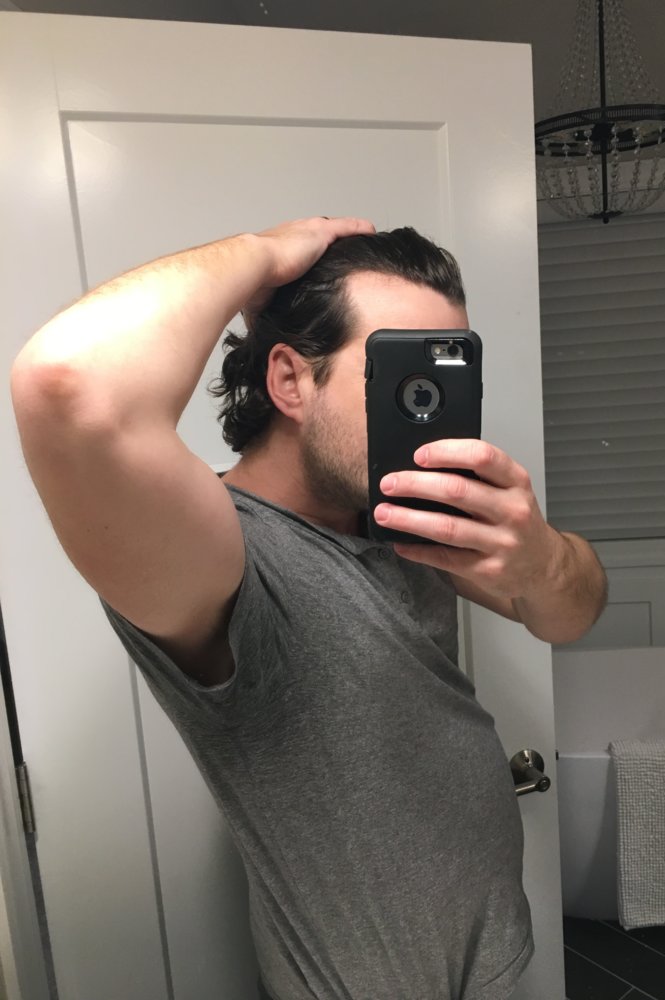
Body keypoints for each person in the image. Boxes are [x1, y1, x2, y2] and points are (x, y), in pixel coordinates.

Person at [11, 216, 607, 1000]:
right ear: (291, 380)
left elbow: (571, 615)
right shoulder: (226, 556)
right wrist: (261, 253)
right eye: (396, 370)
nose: (426, 406)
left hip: (493, 963)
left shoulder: (406, 516)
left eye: (444, 368)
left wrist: (544, 561)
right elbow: (65, 386)